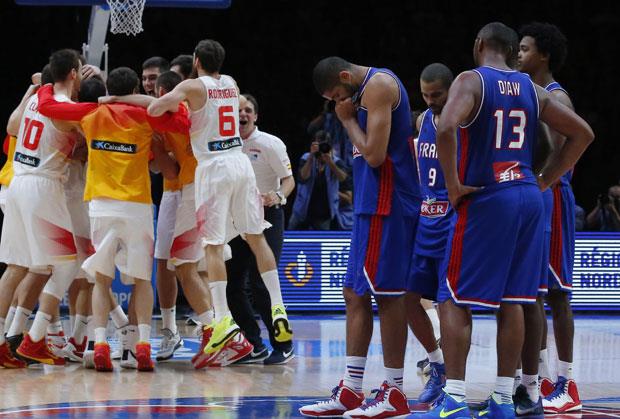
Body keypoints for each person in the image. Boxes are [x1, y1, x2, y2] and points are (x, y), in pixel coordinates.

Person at [414, 22, 594, 419]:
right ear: (513, 51)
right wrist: (545, 180)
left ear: (479, 44)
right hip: (528, 196)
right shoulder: (532, 88)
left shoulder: (471, 80)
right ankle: (502, 399)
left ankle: (454, 399)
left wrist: (453, 185)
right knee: (515, 299)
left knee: (452, 297)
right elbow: (582, 134)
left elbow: (446, 127)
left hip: (488, 195)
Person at [146, 39, 293, 365]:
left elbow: (155, 108)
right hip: (240, 163)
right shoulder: (231, 83)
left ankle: (223, 320)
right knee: (256, 237)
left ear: (196, 60)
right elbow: (225, 104)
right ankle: (278, 306)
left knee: (212, 247)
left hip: (213, 168)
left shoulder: (192, 86)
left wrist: (175, 104)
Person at [36, 66, 189, 372]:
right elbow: (182, 117)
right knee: (142, 281)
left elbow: (48, 107)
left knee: (101, 279)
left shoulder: (92, 115)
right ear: (135, 89)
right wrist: (133, 101)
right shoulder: (146, 117)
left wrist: (44, 84)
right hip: (137, 206)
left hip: (102, 206)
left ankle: (101, 343)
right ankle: (142, 345)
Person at [300, 57, 421, 418]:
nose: (339, 103)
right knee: (354, 293)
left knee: (389, 296)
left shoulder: (379, 86)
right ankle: (352, 390)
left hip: (389, 203)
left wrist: (348, 120)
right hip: (371, 203)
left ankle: (395, 391)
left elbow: (374, 154)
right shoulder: (362, 93)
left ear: (345, 76)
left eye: (338, 95)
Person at [0, 49, 84, 367]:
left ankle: (3, 342)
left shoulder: (38, 97)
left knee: (17, 267)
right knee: (68, 263)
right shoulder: (65, 108)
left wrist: (34, 87)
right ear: (73, 73)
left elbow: (12, 125)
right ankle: (35, 338)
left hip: (18, 183)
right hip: (43, 187)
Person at [518, 21, 585, 414]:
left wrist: (542, 182)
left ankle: (568, 383)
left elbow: (563, 155)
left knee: (557, 294)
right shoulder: (528, 93)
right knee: (534, 293)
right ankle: (541, 378)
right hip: (536, 197)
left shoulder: (557, 97)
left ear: (543, 55)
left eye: (525, 49)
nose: (519, 54)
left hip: (553, 198)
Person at [225, 93, 296, 365]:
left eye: (248, 110)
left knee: (261, 283)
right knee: (232, 283)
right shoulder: (226, 145)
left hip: (267, 217)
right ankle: (253, 344)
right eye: (238, 110)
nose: (243, 114)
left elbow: (289, 180)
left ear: (255, 116)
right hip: (237, 218)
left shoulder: (270, 143)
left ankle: (283, 344)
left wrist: (277, 196)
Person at [407, 63, 456, 404]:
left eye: (436, 94)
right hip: (425, 221)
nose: (430, 101)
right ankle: (437, 365)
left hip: (454, 221)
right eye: (425, 95)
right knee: (407, 297)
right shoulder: (422, 120)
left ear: (451, 91)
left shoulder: (464, 121)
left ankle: (455, 383)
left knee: (449, 304)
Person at [289, 130, 349, 230]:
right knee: (290, 236)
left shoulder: (336, 161)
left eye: (324, 145)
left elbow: (343, 178)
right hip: (302, 210)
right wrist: (311, 157)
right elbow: (303, 177)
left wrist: (330, 162)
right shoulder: (306, 158)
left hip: (324, 213)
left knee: (321, 238)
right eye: (319, 145)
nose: (321, 148)